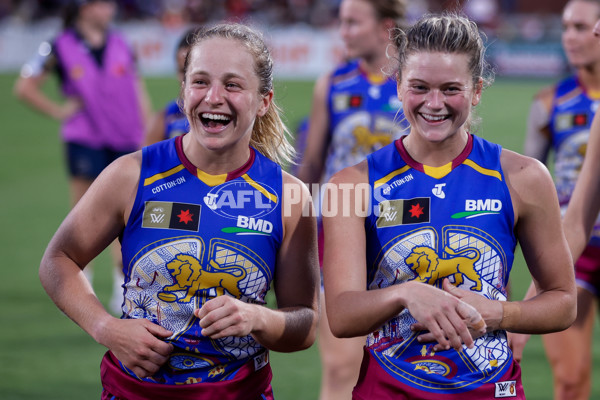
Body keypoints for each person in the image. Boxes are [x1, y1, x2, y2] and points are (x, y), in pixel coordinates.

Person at [38, 23, 319, 399]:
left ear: (263, 101)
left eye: (233, 85)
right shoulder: (131, 174)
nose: (214, 97)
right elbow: (58, 260)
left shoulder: (289, 196)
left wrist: (258, 317)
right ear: (184, 91)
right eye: (200, 81)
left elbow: (304, 324)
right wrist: (106, 328)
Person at [321, 14, 577, 399]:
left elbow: (563, 302)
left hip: (491, 388)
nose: (434, 103)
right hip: (389, 389)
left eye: (451, 89)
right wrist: (405, 293)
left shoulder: (523, 177)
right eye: (419, 87)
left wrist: (499, 313)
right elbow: (341, 316)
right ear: (399, 86)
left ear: (476, 90)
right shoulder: (351, 184)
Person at [294, 1, 408, 398]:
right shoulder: (332, 83)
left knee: (405, 363)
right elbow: (311, 167)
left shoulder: (412, 81)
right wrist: (294, 237)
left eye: (352, 22)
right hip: (339, 229)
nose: (343, 31)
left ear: (384, 27)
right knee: (342, 365)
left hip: (401, 233)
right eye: (340, 22)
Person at [14, 0, 152, 314]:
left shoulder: (121, 42)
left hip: (126, 139)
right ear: (84, 8)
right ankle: (77, 281)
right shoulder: (57, 45)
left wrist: (146, 129)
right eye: (103, 3)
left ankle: (123, 286)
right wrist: (58, 110)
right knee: (84, 214)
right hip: (85, 139)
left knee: (128, 215)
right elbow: (24, 86)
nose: (110, 9)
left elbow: (137, 87)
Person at [509, 2, 600, 399]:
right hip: (578, 256)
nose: (577, 36)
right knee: (570, 378)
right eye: (568, 27)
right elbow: (573, 216)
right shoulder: (551, 102)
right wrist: (526, 305)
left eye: (585, 26)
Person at [144, 26, 201, 146]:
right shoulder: (166, 117)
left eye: (196, 72)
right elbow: (147, 161)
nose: (187, 79)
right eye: (182, 71)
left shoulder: (230, 118)